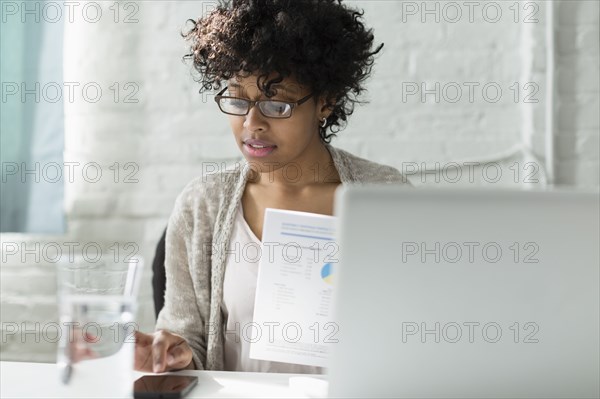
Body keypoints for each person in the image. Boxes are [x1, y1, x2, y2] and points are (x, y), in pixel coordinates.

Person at [134, 0, 410, 374]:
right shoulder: (203, 205)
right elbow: (188, 339)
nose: (252, 124)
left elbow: (409, 335)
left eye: (276, 105)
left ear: (326, 103)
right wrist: (172, 352)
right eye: (237, 100)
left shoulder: (385, 196)